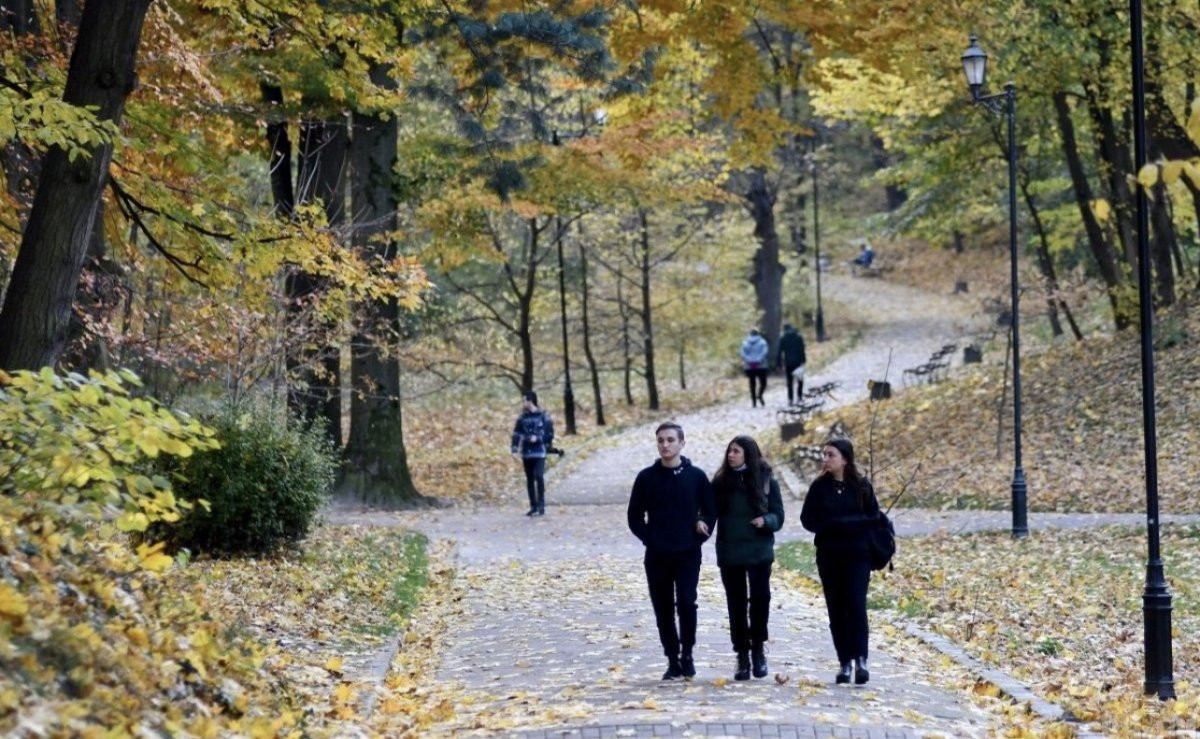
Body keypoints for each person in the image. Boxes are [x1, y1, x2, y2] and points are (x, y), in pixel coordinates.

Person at [627, 422, 716, 680]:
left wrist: (702, 528)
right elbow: (634, 516)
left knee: (687, 603)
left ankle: (687, 654)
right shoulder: (646, 478)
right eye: (661, 441)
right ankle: (672, 659)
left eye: (670, 440)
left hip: (688, 552)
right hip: (657, 555)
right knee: (663, 607)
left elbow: (710, 511)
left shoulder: (696, 476)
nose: (665, 445)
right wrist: (650, 538)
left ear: (681, 443)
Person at [799, 438, 881, 685]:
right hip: (829, 556)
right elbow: (807, 518)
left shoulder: (862, 486)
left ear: (845, 459)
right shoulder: (819, 487)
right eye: (824, 454)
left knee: (856, 605)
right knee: (836, 609)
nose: (825, 459)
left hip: (857, 556)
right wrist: (829, 526)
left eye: (830, 455)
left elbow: (874, 517)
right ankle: (845, 662)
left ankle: (861, 660)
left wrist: (854, 527)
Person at [712, 435, 784, 681]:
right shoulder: (721, 482)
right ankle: (742, 654)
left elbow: (778, 515)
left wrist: (766, 520)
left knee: (761, 599)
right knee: (736, 603)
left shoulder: (767, 481)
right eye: (729, 451)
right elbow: (708, 510)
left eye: (736, 451)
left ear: (748, 455)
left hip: (759, 550)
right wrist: (701, 521)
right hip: (730, 551)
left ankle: (758, 649)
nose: (731, 455)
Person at [511, 391, 554, 516]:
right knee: (530, 479)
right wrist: (514, 449)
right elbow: (516, 433)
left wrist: (539, 439)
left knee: (539, 476)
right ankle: (533, 506)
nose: (523, 403)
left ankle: (541, 504)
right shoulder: (522, 418)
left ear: (530, 401)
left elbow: (549, 434)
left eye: (524, 400)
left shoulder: (543, 416)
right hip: (527, 452)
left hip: (539, 452)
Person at [776, 323, 807, 406]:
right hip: (797, 362)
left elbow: (779, 352)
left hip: (788, 362)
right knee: (800, 379)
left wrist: (779, 364)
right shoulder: (798, 337)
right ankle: (799, 396)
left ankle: (790, 399)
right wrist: (803, 360)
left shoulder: (783, 338)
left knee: (789, 382)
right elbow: (802, 349)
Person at [740, 329, 769, 407]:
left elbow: (743, 353)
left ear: (750, 334)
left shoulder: (745, 342)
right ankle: (760, 394)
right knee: (763, 383)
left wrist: (749, 361)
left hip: (749, 366)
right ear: (758, 334)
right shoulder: (763, 342)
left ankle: (754, 401)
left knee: (752, 383)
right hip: (761, 366)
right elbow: (764, 352)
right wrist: (758, 360)